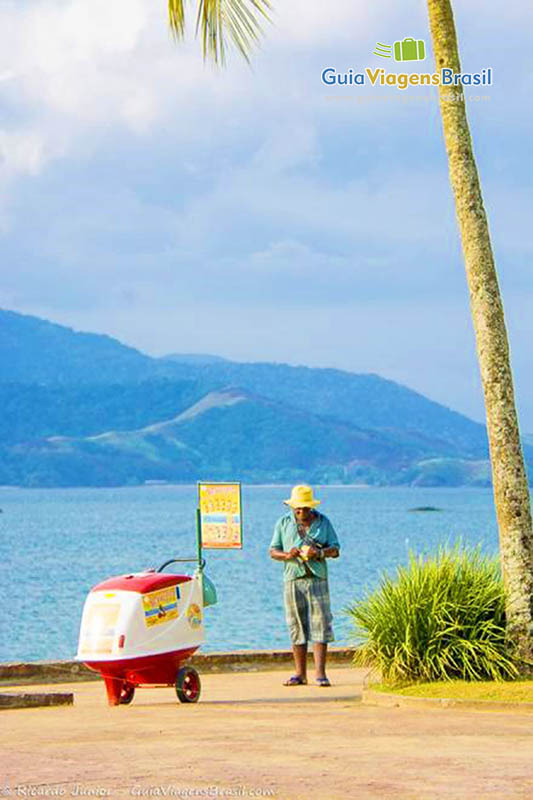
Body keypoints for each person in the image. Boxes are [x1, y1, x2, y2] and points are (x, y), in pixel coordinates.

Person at [269, 484, 340, 687]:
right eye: (297, 508)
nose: (301, 512)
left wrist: (318, 553)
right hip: (293, 577)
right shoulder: (283, 523)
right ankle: (300, 674)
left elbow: (335, 549)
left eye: (304, 508)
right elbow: (273, 551)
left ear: (311, 507)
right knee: (296, 624)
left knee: (321, 624)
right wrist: (287, 555)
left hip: (318, 578)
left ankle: (320, 674)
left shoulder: (323, 523)